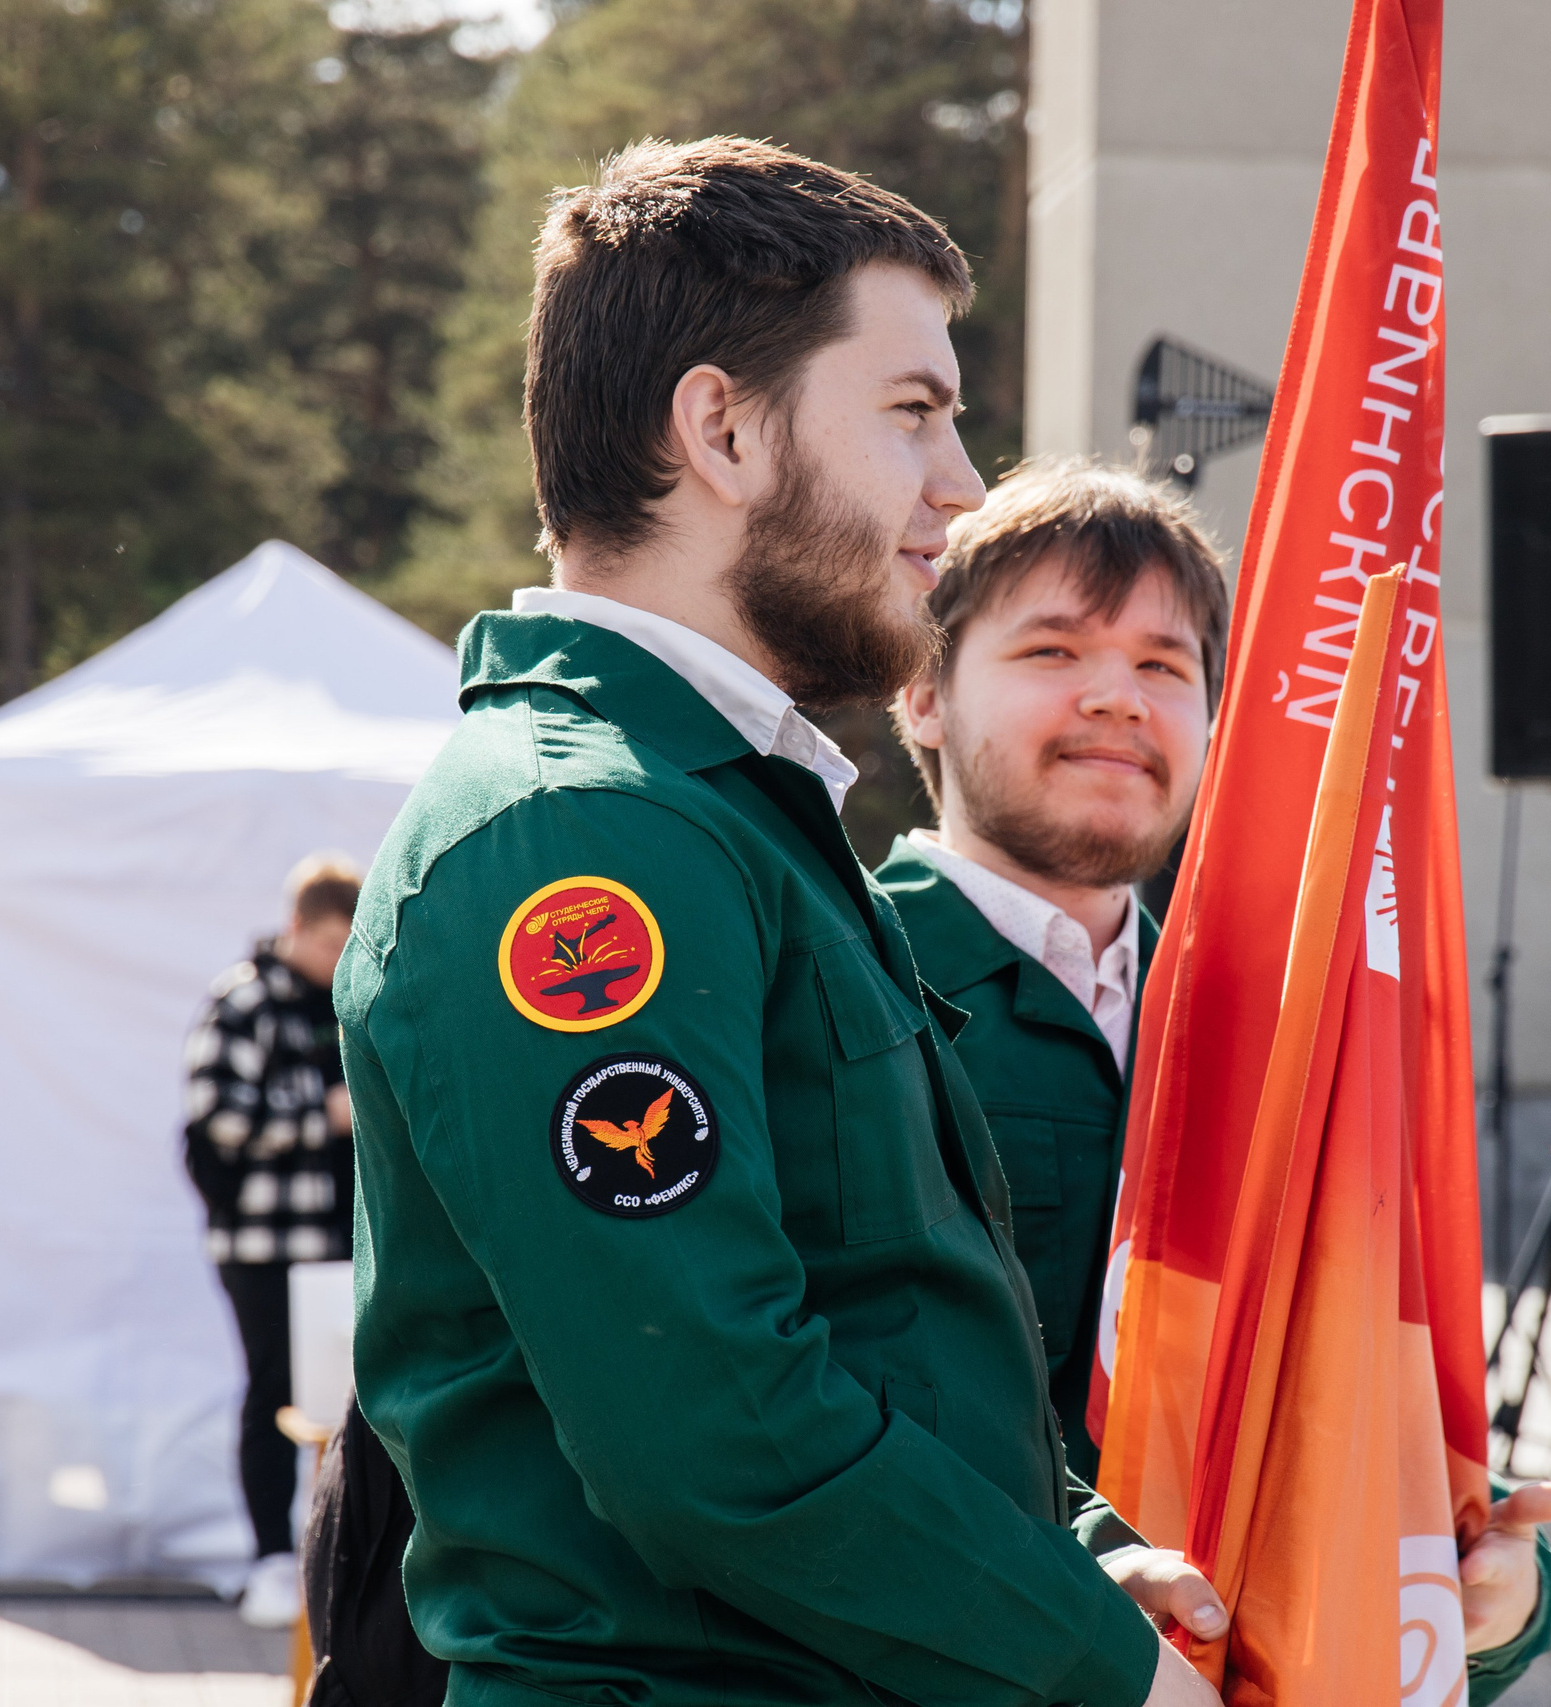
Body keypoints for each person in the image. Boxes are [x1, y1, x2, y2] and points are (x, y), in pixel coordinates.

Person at [338, 136, 1226, 1707]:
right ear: (725, 429)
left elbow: (875, 1331)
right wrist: (1101, 1664)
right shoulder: (581, 836)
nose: (962, 483)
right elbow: (719, 1428)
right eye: (914, 411)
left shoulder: (721, 811)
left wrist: (1074, 1556)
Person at [878, 458, 1551, 1700]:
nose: (1116, 696)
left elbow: (1356, 1386)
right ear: (923, 693)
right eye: (1051, 650)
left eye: (1164, 665)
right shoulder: (849, 983)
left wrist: (1490, 1583)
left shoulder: (1284, 1032)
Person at [181, 852, 361, 1629]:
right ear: (296, 925)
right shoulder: (242, 1000)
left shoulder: (353, 998)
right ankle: (269, 1556)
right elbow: (215, 1115)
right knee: (273, 1390)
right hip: (261, 1241)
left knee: (349, 1399)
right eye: (329, 942)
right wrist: (322, 1115)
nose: (337, 958)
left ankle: (343, 1553)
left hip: (343, 1238)